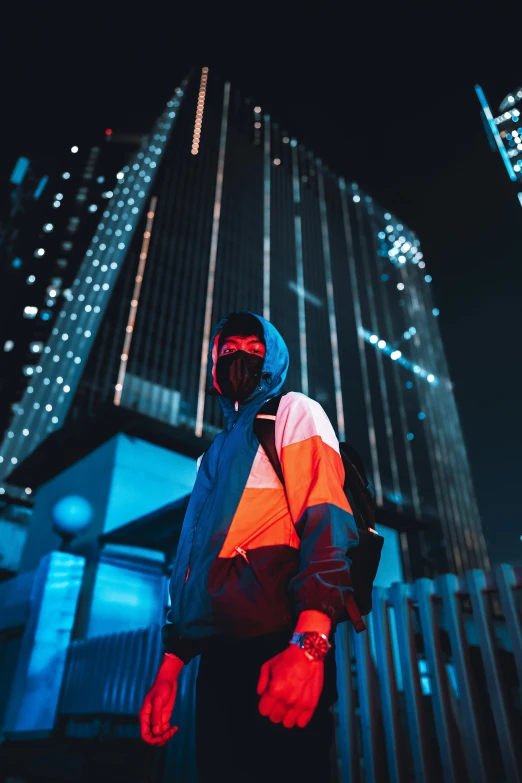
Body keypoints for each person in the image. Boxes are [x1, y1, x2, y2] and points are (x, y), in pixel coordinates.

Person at [139, 311, 359, 782]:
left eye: (254, 348)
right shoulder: (211, 456)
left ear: (273, 358)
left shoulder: (291, 412)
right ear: (214, 365)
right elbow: (190, 568)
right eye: (228, 348)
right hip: (218, 658)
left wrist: (310, 643)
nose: (240, 356)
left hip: (280, 642)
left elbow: (328, 523)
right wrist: (169, 670)